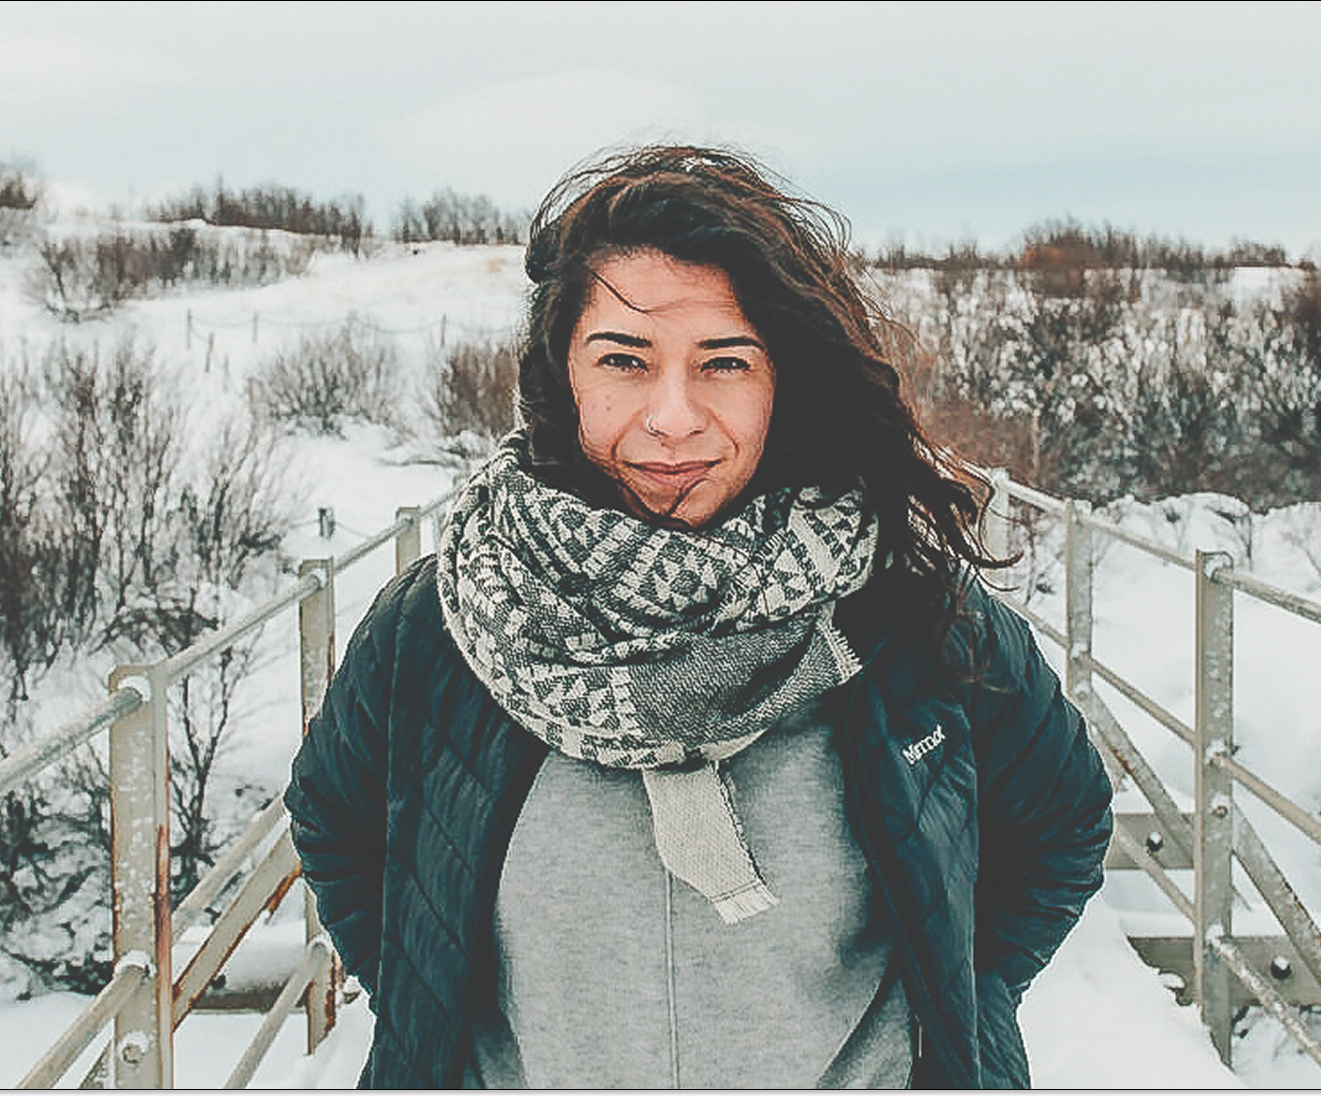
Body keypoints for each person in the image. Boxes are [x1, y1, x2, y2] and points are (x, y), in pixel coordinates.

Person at [284, 145, 1113, 1089]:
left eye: (724, 363)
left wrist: (955, 1008)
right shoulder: (441, 628)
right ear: (565, 377)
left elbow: (1063, 824)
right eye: (624, 361)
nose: (673, 417)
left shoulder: (915, 620)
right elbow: (335, 821)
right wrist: (437, 1012)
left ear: (782, 380)